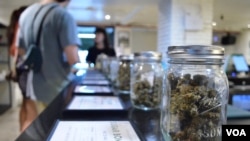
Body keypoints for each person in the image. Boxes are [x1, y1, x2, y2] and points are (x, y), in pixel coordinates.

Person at [17, 0, 80, 131]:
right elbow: (72, 57)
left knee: (34, 127)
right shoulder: (63, 15)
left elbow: (21, 51)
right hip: (56, 88)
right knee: (55, 130)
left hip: (33, 84)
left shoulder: (26, 14)